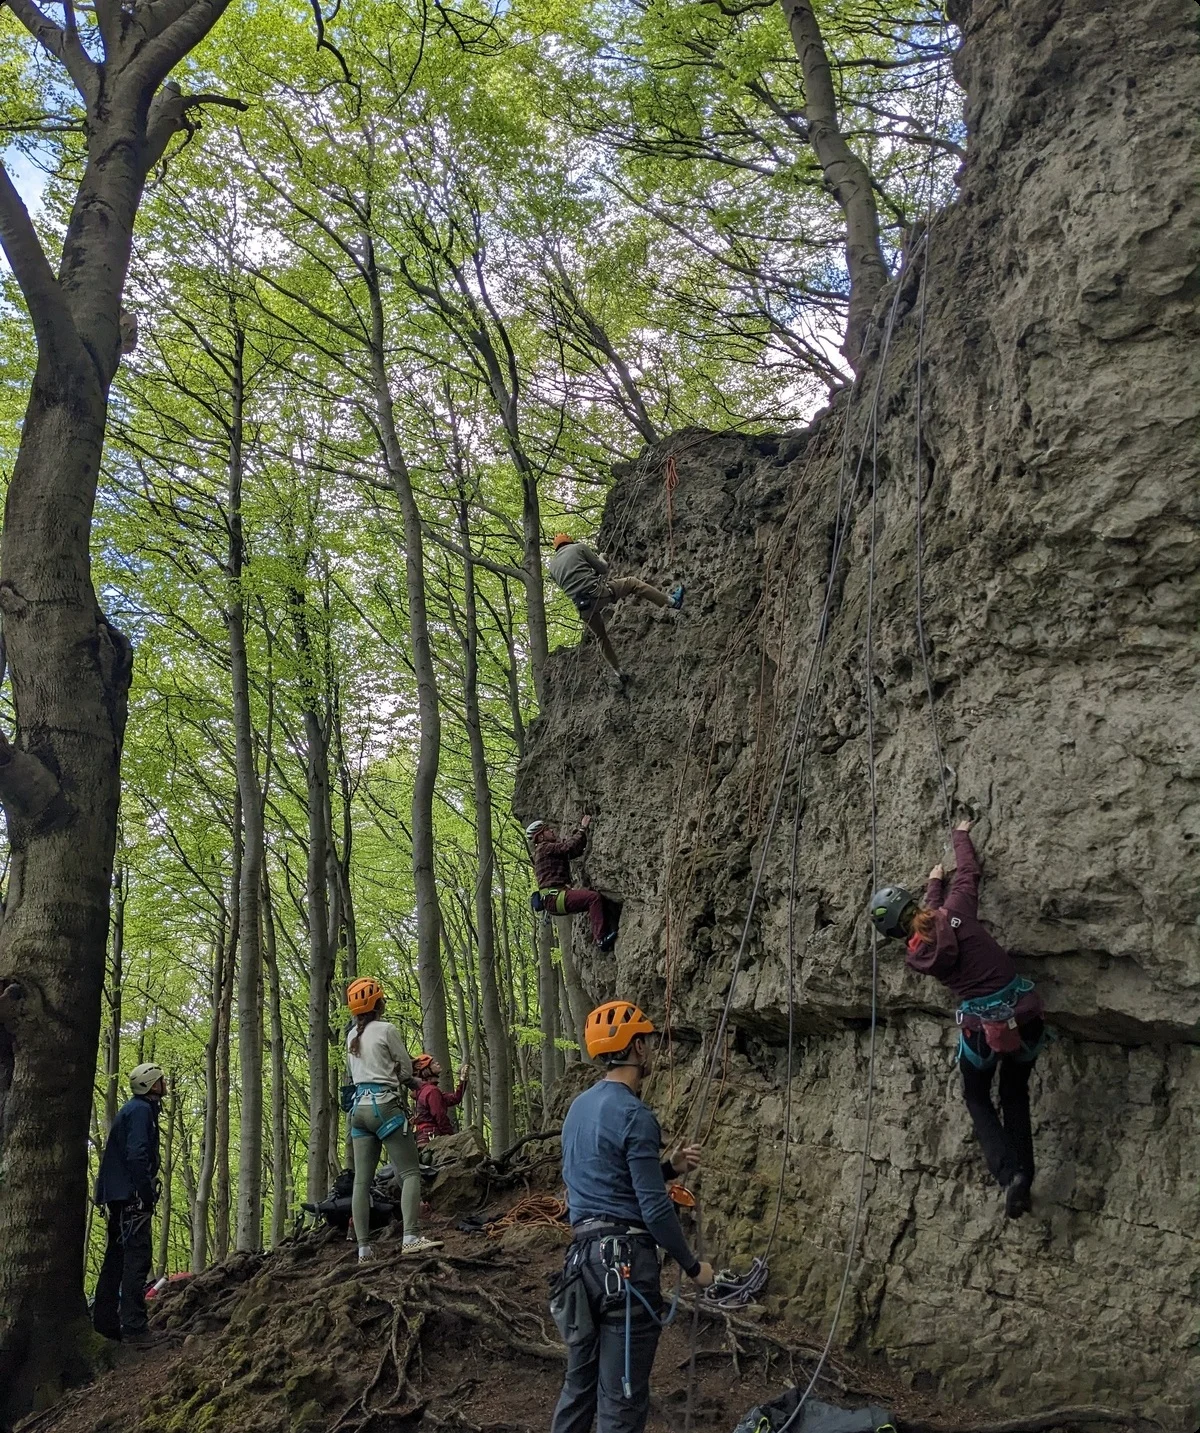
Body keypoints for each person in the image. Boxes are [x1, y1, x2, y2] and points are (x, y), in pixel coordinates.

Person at [549, 1000, 715, 1433]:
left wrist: (667, 1168)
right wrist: (694, 1268)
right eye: (649, 1042)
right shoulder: (635, 1115)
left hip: (581, 1267)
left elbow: (606, 1178)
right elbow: (654, 1209)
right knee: (622, 1397)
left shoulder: (577, 1110)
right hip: (624, 1268)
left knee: (579, 1387)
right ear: (637, 1047)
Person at [870, 819, 1047, 1219]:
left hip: (983, 1032)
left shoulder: (917, 958)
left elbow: (928, 925)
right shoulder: (958, 912)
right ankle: (1025, 1175)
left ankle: (1009, 1177)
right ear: (914, 904)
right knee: (1015, 1094)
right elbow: (968, 873)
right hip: (1025, 1015)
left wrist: (934, 886)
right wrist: (960, 835)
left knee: (976, 1095)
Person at [344, 977, 443, 1260]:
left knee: (361, 1182)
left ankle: (363, 1249)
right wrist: (413, 1082)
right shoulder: (387, 1030)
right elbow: (403, 1067)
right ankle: (411, 1237)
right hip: (385, 1107)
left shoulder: (352, 1036)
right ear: (378, 1003)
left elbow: (354, 1074)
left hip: (359, 1111)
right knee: (411, 1172)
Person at [547, 532, 684, 683]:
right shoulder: (578, 548)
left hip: (583, 607)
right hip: (598, 593)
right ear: (569, 540)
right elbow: (603, 569)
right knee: (633, 583)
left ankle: (618, 672)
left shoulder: (552, 568)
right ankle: (672, 602)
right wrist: (602, 558)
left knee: (601, 637)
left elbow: (573, 581)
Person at [93, 1062, 164, 1343]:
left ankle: (106, 1324)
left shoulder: (135, 1110)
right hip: (130, 1199)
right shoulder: (141, 1111)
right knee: (136, 1259)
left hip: (120, 1195)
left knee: (116, 1258)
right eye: (160, 1080)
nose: (164, 1083)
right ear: (151, 1085)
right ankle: (134, 1327)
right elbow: (137, 1155)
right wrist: (145, 1194)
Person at [526, 814, 618, 952]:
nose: (552, 831)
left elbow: (573, 851)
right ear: (540, 837)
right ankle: (600, 939)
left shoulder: (545, 851)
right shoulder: (545, 848)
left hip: (554, 898)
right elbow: (568, 847)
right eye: (547, 829)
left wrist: (580, 838)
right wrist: (582, 828)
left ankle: (604, 929)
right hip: (555, 896)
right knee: (593, 898)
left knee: (592, 900)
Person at [413, 1054, 469, 1147]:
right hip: (431, 1138)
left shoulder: (427, 1090)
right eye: (433, 1063)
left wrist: (463, 1079)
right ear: (427, 1070)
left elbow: (454, 1098)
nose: (438, 1063)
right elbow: (440, 1116)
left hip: (425, 1138)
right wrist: (451, 1137)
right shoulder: (431, 1091)